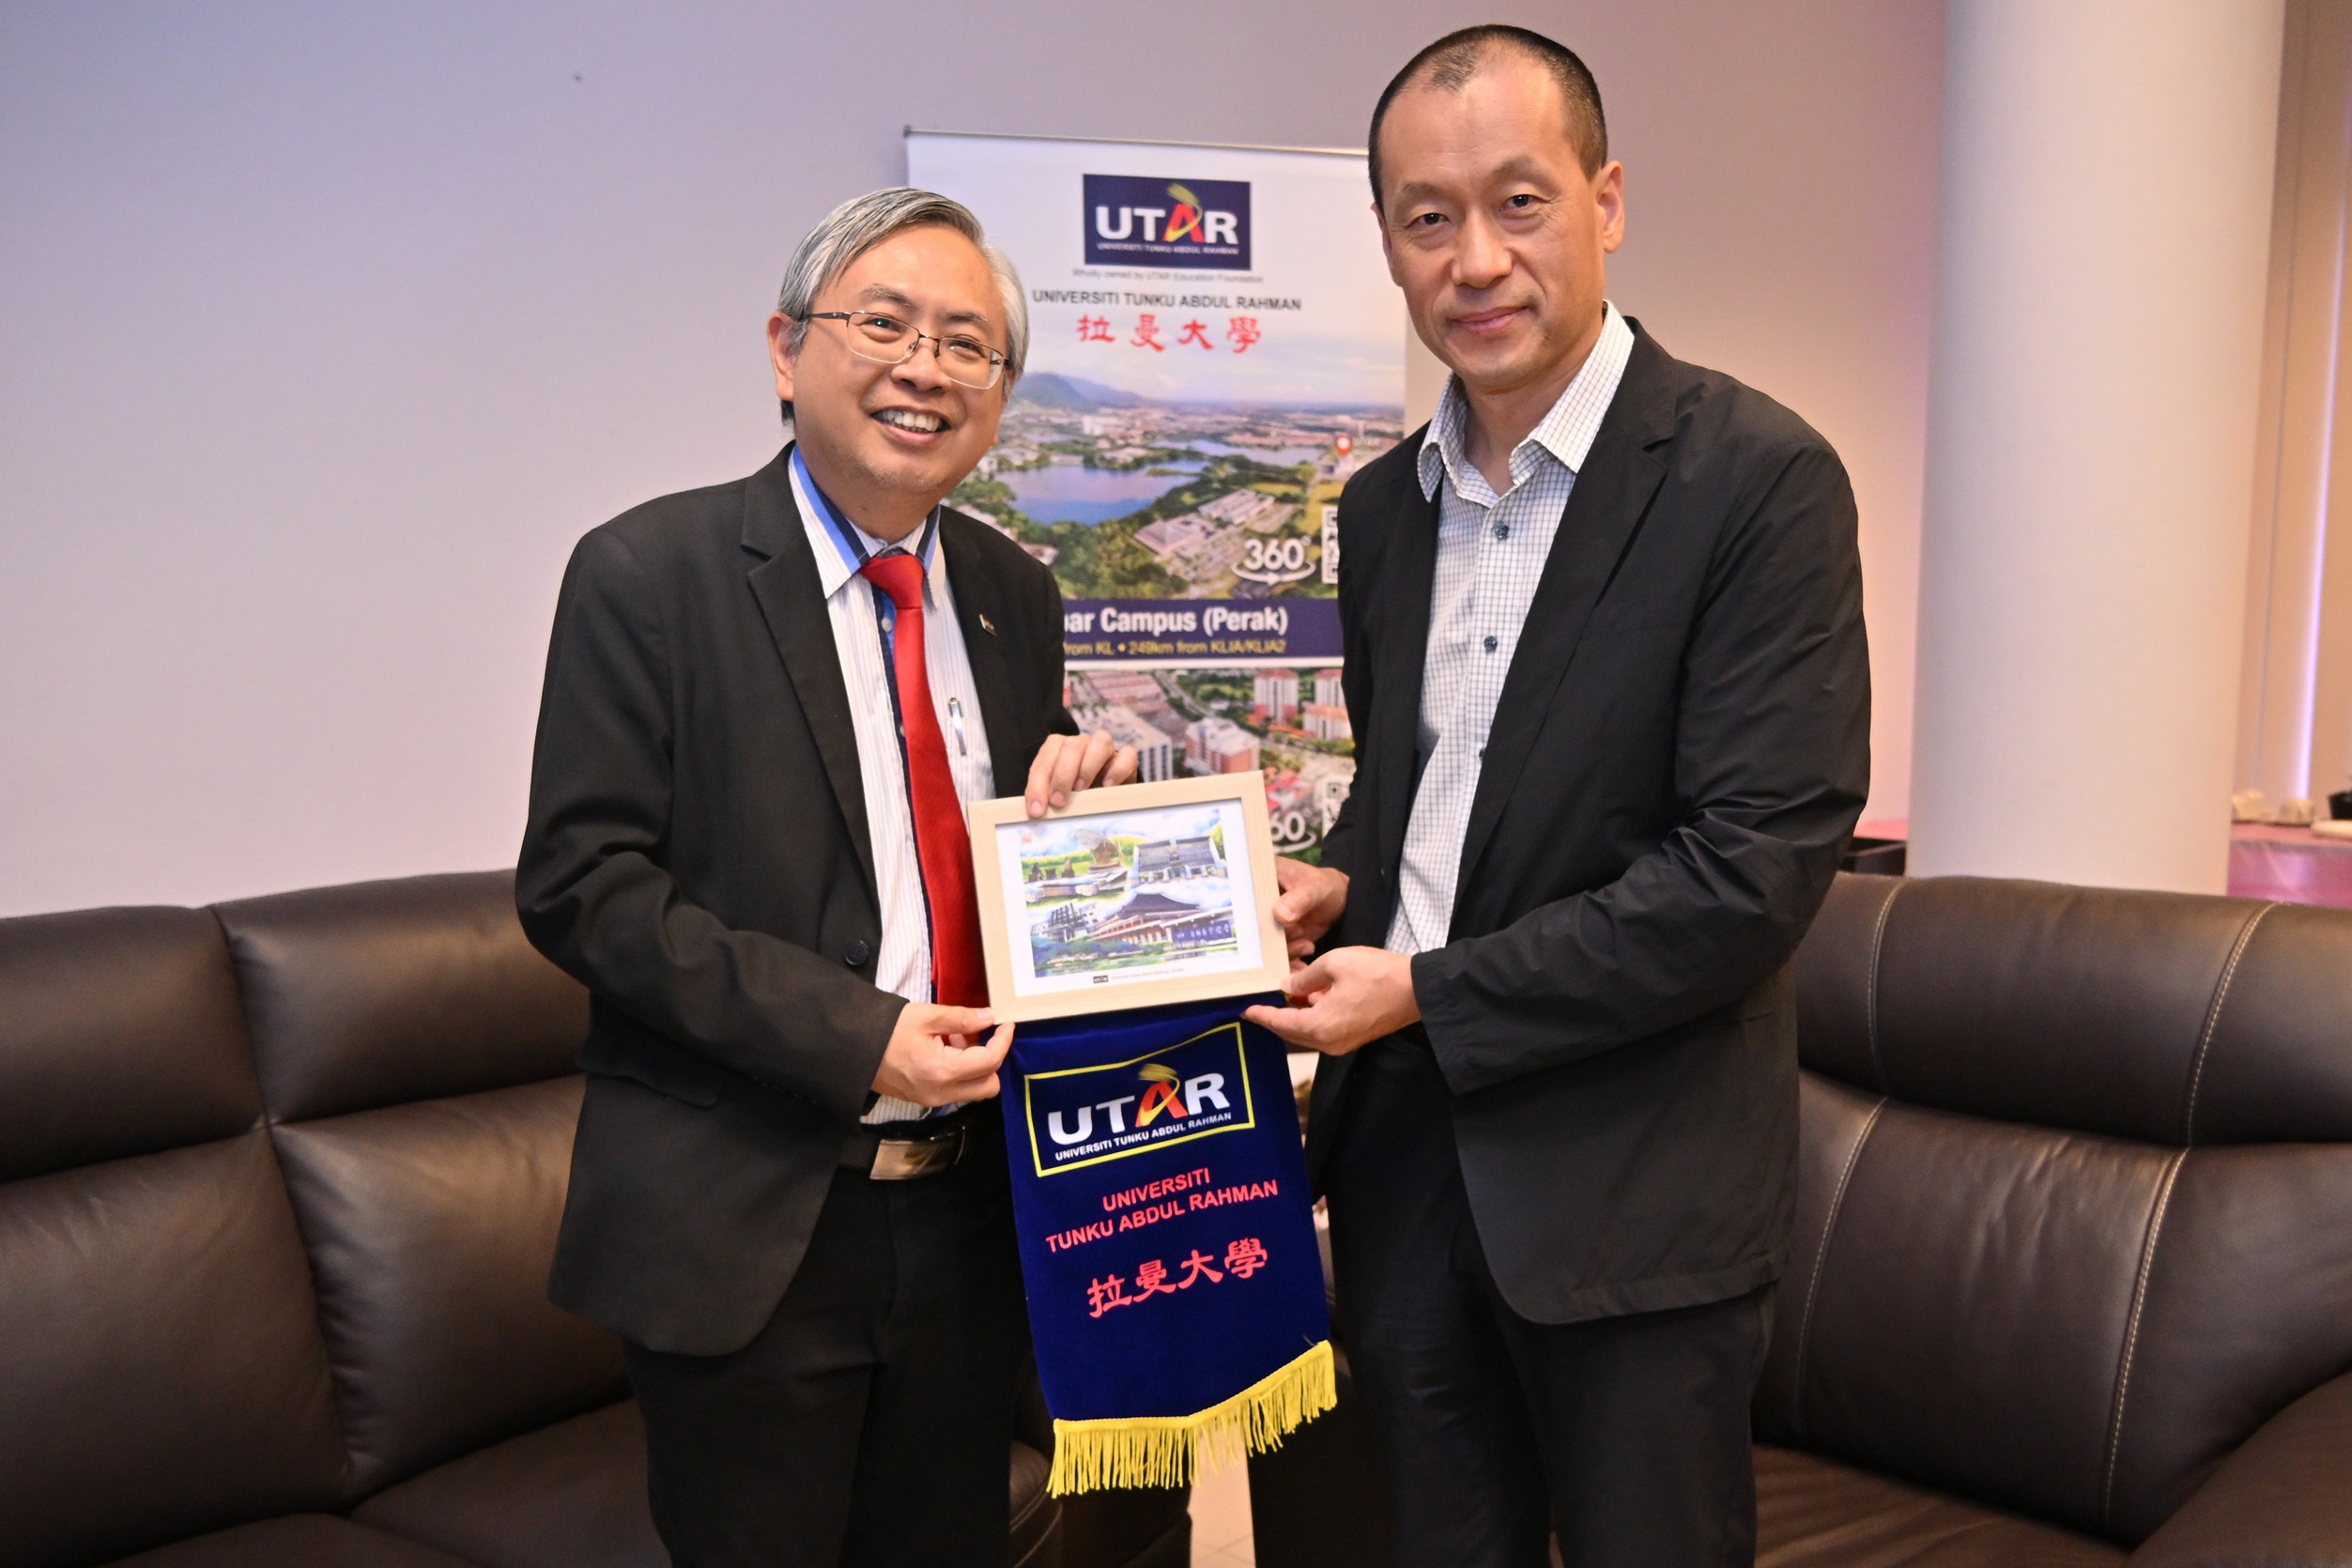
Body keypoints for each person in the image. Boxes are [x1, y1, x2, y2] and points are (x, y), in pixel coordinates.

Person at [1243, 26, 1870, 1566]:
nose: (1474, 259)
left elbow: (1747, 873)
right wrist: (1341, 877)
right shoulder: (1380, 508)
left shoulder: (1756, 480)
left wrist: (1427, 991)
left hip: (1634, 1191)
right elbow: (1428, 795)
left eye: (1518, 203)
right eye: (1426, 216)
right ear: (1386, 237)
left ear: (1605, 201)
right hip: (1405, 1176)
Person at [516, 188, 1134, 1568]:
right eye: (887, 324)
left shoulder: (1009, 592)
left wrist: (1083, 822)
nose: (925, 367)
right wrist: (866, 1036)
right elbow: (581, 883)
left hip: (973, 1216)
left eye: (969, 344)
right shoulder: (647, 573)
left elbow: (989, 859)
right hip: (755, 1218)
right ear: (787, 349)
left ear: (999, 394)